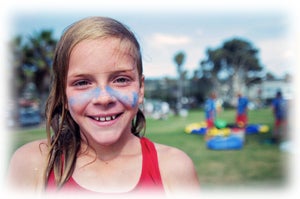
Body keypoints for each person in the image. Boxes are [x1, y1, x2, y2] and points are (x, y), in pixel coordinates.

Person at [7, 17, 200, 196]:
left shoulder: (174, 168)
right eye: (82, 83)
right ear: (63, 96)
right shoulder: (33, 164)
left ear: (140, 89)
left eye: (121, 79)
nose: (104, 98)